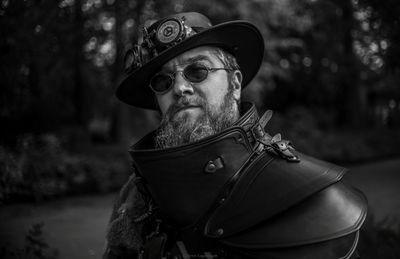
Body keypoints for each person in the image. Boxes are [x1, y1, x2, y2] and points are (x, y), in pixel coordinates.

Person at [104, 12, 367, 259]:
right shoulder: (136, 195)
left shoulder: (310, 196)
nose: (180, 87)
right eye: (163, 81)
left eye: (197, 71)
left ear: (236, 83)